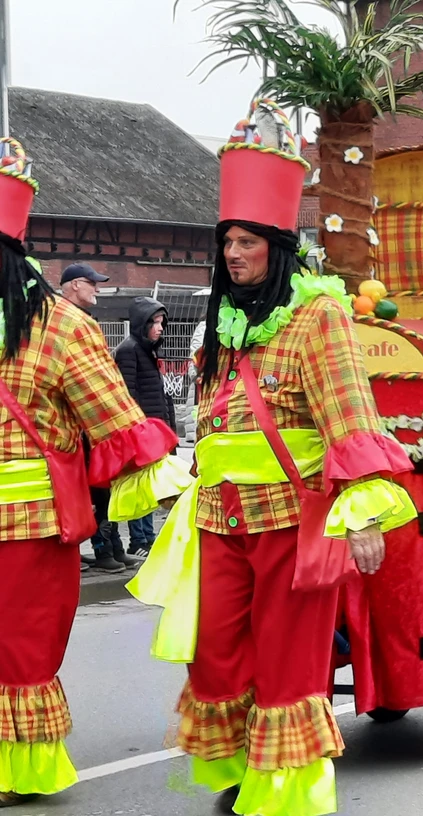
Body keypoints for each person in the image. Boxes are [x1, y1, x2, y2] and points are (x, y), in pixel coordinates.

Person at [128, 101, 417, 816]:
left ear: (277, 248)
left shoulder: (320, 315)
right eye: (227, 241)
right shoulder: (223, 321)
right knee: (215, 654)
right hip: (218, 518)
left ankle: (285, 795)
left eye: (248, 242)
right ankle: (236, 768)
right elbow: (210, 417)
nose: (234, 253)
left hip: (292, 519)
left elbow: (351, 416)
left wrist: (363, 515)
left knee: (289, 663)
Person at [0, 139, 189, 807]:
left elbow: (116, 423)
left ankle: (14, 767)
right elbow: (116, 423)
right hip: (28, 522)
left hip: (28, 522)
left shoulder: (58, 326)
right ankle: (15, 766)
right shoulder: (61, 326)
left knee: (16, 646)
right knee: (17, 646)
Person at [58, 263, 136, 574]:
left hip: (88, 431)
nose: (98, 289)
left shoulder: (80, 320)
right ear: (75, 285)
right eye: (92, 283)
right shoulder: (64, 323)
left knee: (101, 492)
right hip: (76, 431)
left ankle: (108, 547)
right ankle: (95, 550)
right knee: (85, 494)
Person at [114, 297, 177, 556]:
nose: (160, 328)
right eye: (155, 323)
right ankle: (138, 539)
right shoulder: (129, 350)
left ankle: (147, 537)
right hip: (142, 431)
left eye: (162, 323)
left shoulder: (149, 350)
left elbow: (160, 394)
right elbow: (129, 393)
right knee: (140, 485)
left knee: (151, 485)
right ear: (143, 324)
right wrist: (138, 430)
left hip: (155, 429)